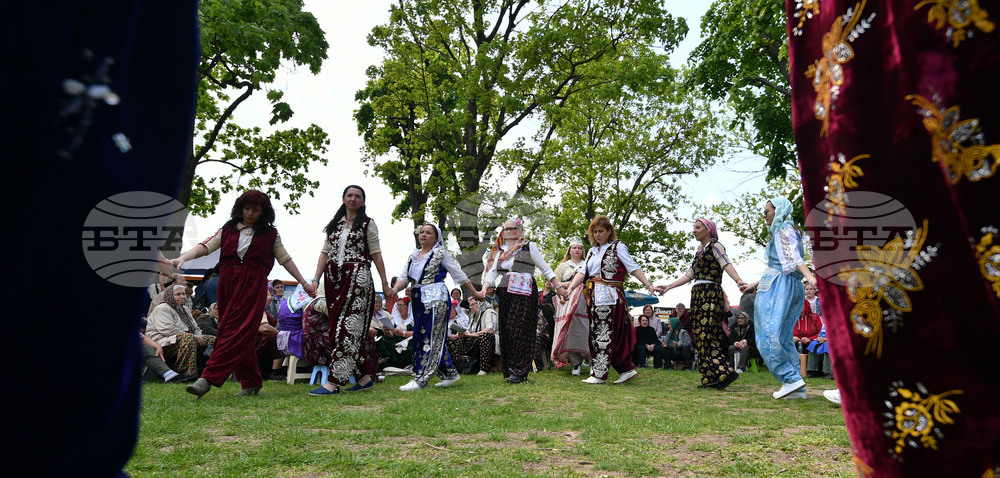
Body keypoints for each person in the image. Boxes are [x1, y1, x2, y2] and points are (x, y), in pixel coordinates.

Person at [172, 190, 316, 398]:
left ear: (263, 212)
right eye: (246, 208)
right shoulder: (228, 229)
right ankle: (251, 382)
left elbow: (285, 259)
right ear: (240, 209)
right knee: (235, 332)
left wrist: (304, 283)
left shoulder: (271, 235)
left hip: (253, 287)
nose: (249, 213)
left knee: (234, 332)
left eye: (255, 210)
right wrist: (182, 258)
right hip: (228, 286)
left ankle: (207, 379)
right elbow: (205, 246)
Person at [306, 185, 392, 396]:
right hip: (333, 280)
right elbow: (324, 253)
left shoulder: (368, 224)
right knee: (338, 328)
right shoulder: (334, 225)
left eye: (358, 196)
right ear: (343, 198)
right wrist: (316, 279)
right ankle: (364, 378)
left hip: (358, 279)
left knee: (348, 328)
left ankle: (333, 382)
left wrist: (384, 283)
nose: (353, 198)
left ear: (363, 201)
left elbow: (376, 254)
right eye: (350, 195)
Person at [560, 215, 655, 385]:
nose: (597, 235)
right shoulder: (592, 251)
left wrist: (649, 285)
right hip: (594, 297)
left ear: (609, 231)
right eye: (595, 232)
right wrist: (570, 288)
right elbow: (582, 273)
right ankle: (626, 369)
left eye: (601, 231)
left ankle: (599, 374)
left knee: (602, 334)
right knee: (606, 334)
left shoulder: (618, 247)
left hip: (609, 297)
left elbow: (632, 267)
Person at [656, 218, 747, 390]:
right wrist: (668, 286)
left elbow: (726, 264)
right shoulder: (699, 251)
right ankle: (710, 378)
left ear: (709, 230)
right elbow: (689, 275)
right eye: (694, 227)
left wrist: (738, 280)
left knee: (707, 335)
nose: (694, 230)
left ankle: (724, 373)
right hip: (697, 295)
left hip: (710, 294)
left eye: (698, 227)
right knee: (699, 336)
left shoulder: (716, 246)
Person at [390, 224, 484, 390]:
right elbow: (404, 278)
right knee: (421, 335)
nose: (424, 234)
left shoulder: (441, 253)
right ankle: (450, 373)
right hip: (419, 300)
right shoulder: (413, 256)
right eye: (422, 232)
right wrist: (394, 290)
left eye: (428, 232)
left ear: (436, 238)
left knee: (431, 337)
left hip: (436, 300)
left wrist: (475, 292)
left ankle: (421, 377)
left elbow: (458, 273)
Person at [741, 198, 817, 400]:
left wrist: (811, 279)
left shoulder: (783, 230)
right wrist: (754, 285)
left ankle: (790, 378)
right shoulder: (790, 230)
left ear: (779, 210)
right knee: (783, 337)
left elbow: (794, 260)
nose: (764, 215)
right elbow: (785, 265)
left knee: (767, 335)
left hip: (777, 288)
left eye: (767, 211)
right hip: (789, 285)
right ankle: (795, 387)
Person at [481, 218, 560, 384]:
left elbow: (545, 268)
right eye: (506, 229)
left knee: (519, 329)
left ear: (520, 230)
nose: (509, 231)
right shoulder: (500, 251)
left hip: (524, 290)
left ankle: (520, 371)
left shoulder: (529, 246)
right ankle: (511, 369)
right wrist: (484, 288)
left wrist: (558, 287)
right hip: (505, 291)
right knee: (506, 330)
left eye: (513, 228)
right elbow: (492, 273)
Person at [146, 285, 217, 377]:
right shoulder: (162, 308)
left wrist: (199, 337)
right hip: (163, 342)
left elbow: (196, 328)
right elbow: (168, 330)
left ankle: (206, 371)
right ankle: (185, 373)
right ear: (170, 296)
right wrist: (195, 337)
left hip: (181, 338)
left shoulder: (185, 309)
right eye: (178, 294)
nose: (182, 296)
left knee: (213, 340)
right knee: (189, 339)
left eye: (183, 294)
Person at [551, 238, 590, 374]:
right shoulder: (563, 266)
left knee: (586, 330)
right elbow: (553, 282)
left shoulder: (587, 264)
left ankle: (591, 361)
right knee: (571, 330)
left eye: (579, 248)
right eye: (574, 248)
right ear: (569, 250)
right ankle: (575, 364)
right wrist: (566, 284)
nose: (577, 250)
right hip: (568, 303)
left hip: (585, 302)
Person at [447, 296, 498, 375]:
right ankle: (456, 367)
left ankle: (484, 369)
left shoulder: (489, 312)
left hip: (491, 340)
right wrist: (461, 334)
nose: (471, 307)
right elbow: (469, 330)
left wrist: (472, 335)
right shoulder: (474, 316)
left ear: (480, 304)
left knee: (486, 336)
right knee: (462, 340)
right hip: (477, 339)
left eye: (473, 305)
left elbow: (490, 330)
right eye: (470, 305)